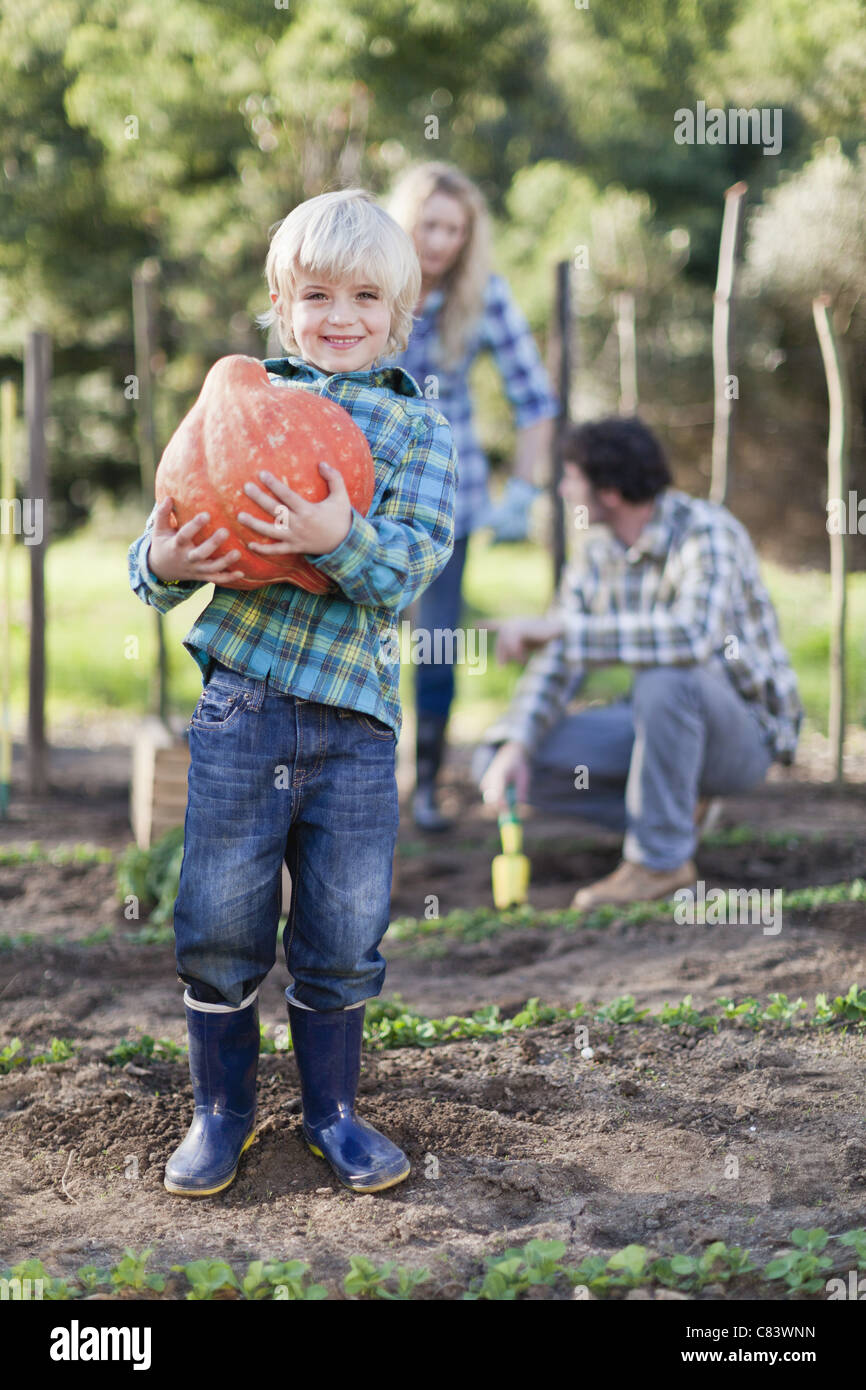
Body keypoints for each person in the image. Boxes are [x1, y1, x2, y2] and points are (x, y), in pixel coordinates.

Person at [127, 189, 456, 1196]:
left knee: (343, 928)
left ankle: (333, 1113)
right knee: (220, 919)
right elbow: (160, 549)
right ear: (279, 300)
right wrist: (166, 556)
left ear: (398, 314)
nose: (340, 314)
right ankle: (219, 1113)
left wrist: (335, 538)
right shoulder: (237, 403)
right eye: (316, 293)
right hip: (244, 704)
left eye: (365, 295)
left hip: (355, 724)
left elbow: (405, 571)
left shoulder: (417, 431)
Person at [475, 415, 802, 909]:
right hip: (661, 730)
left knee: (668, 677)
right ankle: (677, 813)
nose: (561, 490)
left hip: (743, 733)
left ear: (608, 492)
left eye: (570, 477)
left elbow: (691, 637)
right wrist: (517, 743)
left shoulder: (706, 532)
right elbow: (560, 660)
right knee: (500, 759)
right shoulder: (597, 554)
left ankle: (659, 862)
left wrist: (562, 630)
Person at [384, 162, 559, 831]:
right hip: (361, 500)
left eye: (455, 230)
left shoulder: (484, 297)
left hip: (443, 505)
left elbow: (536, 400)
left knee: (433, 642)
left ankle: (424, 783)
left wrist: (523, 488)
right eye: (429, 224)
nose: (440, 242)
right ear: (405, 221)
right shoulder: (370, 286)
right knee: (358, 635)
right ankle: (355, 776)